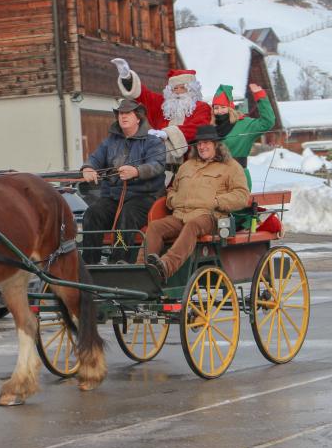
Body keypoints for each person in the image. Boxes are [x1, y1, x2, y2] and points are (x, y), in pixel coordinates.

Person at [138, 125, 249, 282]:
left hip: (210, 217)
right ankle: (141, 270)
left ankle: (165, 267)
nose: (202, 147)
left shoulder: (231, 167)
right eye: (199, 143)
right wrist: (173, 200)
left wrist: (216, 201)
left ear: (216, 144)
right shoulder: (187, 166)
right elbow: (172, 189)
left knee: (193, 226)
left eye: (206, 143)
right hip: (180, 216)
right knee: (155, 227)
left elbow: (242, 195)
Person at [80, 99, 166, 264]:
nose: (123, 116)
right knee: (92, 214)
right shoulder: (110, 142)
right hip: (114, 197)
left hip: (145, 197)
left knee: (127, 214)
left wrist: (136, 171)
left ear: (138, 118)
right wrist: (88, 168)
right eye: (121, 113)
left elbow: (158, 165)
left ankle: (118, 262)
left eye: (128, 113)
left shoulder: (153, 142)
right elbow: (95, 158)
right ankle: (89, 265)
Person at [111, 58, 212, 168]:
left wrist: (167, 133)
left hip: (190, 166)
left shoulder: (202, 107)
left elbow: (197, 129)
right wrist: (127, 78)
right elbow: (144, 96)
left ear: (192, 89)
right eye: (174, 88)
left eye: (182, 88)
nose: (178, 91)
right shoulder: (164, 105)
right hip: (161, 168)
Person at [212, 83, 276, 191]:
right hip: (214, 179)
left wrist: (260, 96)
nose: (219, 111)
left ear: (230, 107)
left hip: (238, 178)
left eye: (223, 107)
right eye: (216, 108)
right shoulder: (210, 127)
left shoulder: (244, 124)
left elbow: (268, 122)